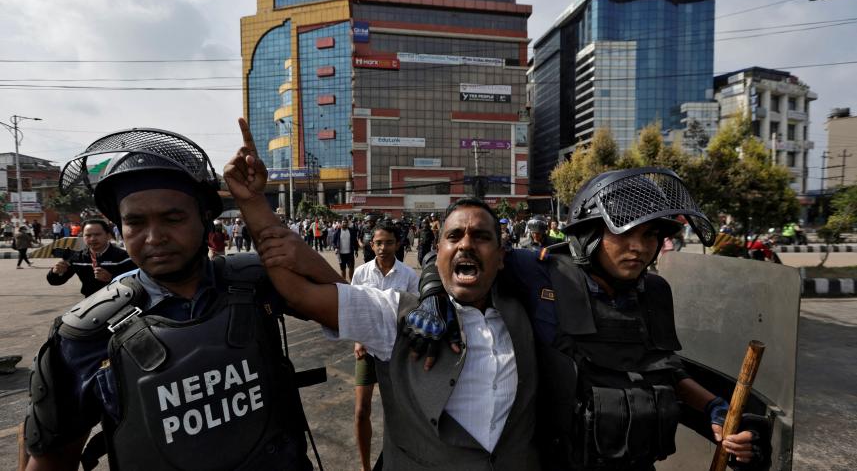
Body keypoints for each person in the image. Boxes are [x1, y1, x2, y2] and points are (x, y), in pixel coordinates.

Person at [226, 120, 540, 470]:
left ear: (501, 257)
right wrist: (253, 202)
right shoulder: (395, 316)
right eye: (455, 236)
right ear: (438, 253)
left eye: (481, 236)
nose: (466, 243)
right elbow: (298, 293)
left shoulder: (533, 313)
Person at [410, 168, 769, 471]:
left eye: (651, 236)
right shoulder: (540, 272)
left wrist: (715, 411)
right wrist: (432, 296)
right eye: (626, 233)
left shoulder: (654, 292)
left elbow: (664, 371)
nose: (641, 248)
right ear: (589, 233)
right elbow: (456, 254)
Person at [23, 127, 322, 471]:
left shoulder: (254, 282)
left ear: (204, 219)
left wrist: (255, 204)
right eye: (135, 222)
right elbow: (50, 460)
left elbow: (344, 301)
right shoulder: (83, 334)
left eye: (173, 218)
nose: (154, 237)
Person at [350, 219, 419, 471]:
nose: (383, 247)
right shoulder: (361, 273)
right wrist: (358, 339)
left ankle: (398, 461)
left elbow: (415, 315)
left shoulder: (409, 275)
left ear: (398, 243)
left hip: (397, 351)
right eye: (378, 242)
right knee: (361, 411)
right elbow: (355, 309)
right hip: (368, 349)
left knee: (398, 413)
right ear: (371, 244)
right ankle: (366, 466)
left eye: (389, 242)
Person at [46, 219, 136, 297]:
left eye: (97, 234)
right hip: (90, 303)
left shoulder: (124, 258)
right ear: (83, 237)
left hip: (122, 302)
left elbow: (138, 285)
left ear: (108, 236)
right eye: (88, 235)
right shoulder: (77, 257)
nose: (92, 239)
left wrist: (111, 279)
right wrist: (55, 272)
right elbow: (55, 281)